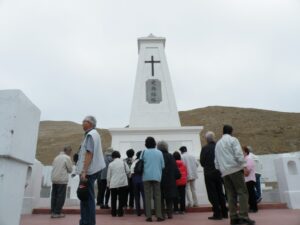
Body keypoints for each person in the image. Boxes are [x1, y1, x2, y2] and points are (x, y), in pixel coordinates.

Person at [214, 125, 255, 225]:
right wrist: (244, 166)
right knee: (242, 192)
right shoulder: (233, 140)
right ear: (231, 131)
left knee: (230, 194)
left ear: (223, 132)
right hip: (235, 169)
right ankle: (243, 217)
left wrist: (222, 170)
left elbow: (216, 161)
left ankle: (233, 218)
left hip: (224, 172)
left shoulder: (218, 144)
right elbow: (238, 154)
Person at [75, 116, 106, 225]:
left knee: (87, 198)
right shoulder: (94, 134)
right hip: (91, 170)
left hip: (88, 171)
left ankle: (87, 222)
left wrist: (84, 171)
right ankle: (85, 221)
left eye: (85, 121)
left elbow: (89, 153)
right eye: (82, 121)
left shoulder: (91, 135)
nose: (82, 123)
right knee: (86, 198)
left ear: (91, 123)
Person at [200, 131, 228, 220]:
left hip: (209, 173)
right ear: (214, 138)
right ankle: (225, 213)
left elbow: (202, 162)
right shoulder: (219, 147)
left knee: (212, 193)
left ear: (206, 140)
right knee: (220, 192)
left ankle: (217, 213)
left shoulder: (205, 148)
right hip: (219, 172)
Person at [142, 137, 165, 222]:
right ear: (155, 143)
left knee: (147, 197)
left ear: (146, 144)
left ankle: (149, 216)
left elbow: (141, 164)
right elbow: (163, 166)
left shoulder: (143, 152)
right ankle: (159, 215)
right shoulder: (159, 152)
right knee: (157, 196)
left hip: (146, 177)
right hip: (157, 176)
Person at [157, 141, 180, 219]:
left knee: (160, 198)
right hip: (170, 180)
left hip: (159, 179)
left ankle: (162, 214)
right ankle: (170, 214)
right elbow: (175, 168)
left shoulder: (158, 156)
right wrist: (177, 176)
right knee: (169, 198)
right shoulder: (170, 156)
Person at [51, 145, 73, 218]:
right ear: (68, 151)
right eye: (70, 151)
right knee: (61, 196)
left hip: (54, 179)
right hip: (62, 179)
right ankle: (57, 212)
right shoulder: (67, 158)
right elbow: (70, 170)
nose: (70, 153)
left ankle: (53, 211)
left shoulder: (56, 157)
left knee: (54, 196)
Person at [107, 150, 130, 217]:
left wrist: (108, 184)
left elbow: (109, 175)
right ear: (119, 156)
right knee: (121, 198)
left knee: (113, 199)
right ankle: (120, 212)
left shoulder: (111, 164)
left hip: (113, 183)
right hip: (122, 183)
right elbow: (128, 171)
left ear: (113, 157)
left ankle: (113, 213)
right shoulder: (123, 162)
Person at [243, 146, 258, 213]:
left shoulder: (248, 159)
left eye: (242, 151)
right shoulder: (245, 159)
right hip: (247, 180)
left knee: (251, 194)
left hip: (250, 179)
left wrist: (242, 170)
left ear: (246, 152)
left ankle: (254, 208)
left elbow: (247, 172)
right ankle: (251, 207)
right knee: (249, 194)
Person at [131, 151, 145, 216]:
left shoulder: (134, 162)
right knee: (144, 196)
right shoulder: (144, 161)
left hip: (135, 179)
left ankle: (138, 212)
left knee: (137, 197)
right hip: (142, 179)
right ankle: (146, 211)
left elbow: (131, 172)